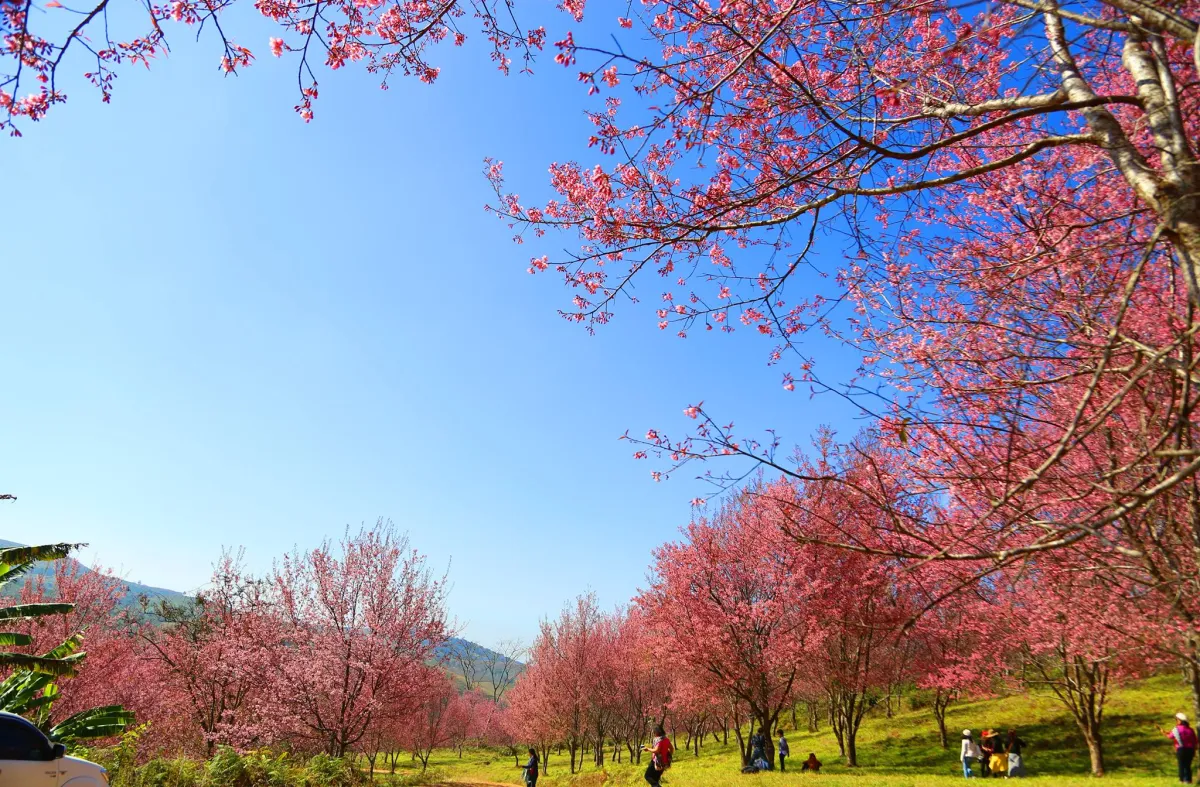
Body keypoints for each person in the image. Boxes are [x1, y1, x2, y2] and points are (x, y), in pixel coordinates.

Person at [1162, 713, 1198, 784]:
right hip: (1191, 750)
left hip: (1181, 749)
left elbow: (1170, 736)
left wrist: (1164, 733)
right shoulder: (1191, 730)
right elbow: (1195, 741)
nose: (1176, 721)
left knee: (1181, 765)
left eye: (1176, 720)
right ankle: (1188, 780)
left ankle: (1181, 780)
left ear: (1179, 721)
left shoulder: (1177, 729)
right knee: (1188, 765)